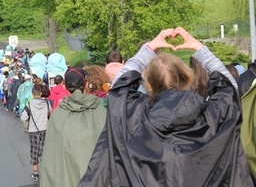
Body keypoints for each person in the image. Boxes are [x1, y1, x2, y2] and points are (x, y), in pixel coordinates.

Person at [79, 27, 253, 186]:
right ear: (186, 76)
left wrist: (149, 48)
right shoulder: (211, 116)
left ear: (150, 83)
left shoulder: (134, 117)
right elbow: (229, 88)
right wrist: (199, 49)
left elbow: (119, 86)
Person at [40, 67, 107, 187]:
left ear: (65, 86)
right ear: (86, 84)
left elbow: (50, 159)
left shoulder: (57, 115)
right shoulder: (100, 110)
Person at [20, 84, 52, 182]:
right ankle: (46, 171)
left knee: (35, 152)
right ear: (41, 93)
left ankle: (35, 173)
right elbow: (50, 114)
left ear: (32, 94)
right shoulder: (47, 103)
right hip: (45, 129)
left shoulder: (29, 104)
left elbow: (23, 118)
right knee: (44, 151)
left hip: (33, 131)